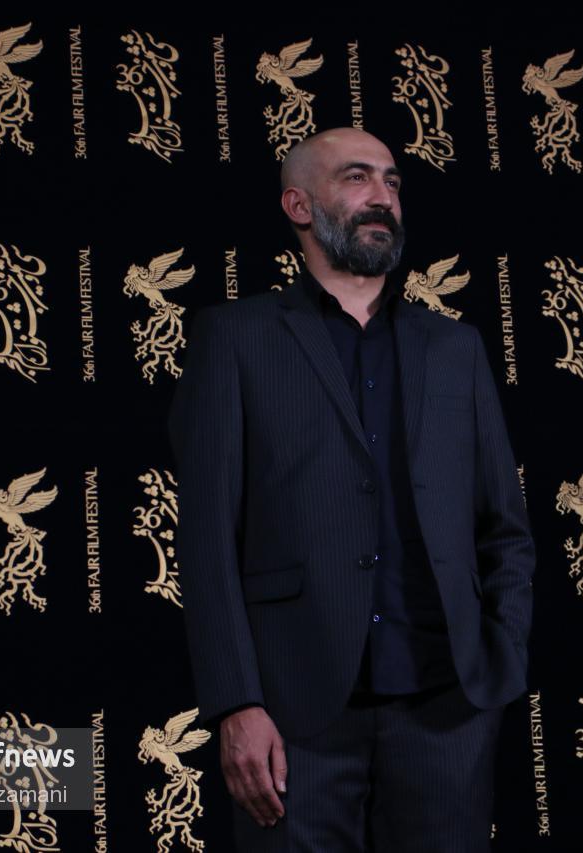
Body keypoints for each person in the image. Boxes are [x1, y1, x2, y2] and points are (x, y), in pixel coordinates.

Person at [167, 127, 536, 852]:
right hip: (293, 717)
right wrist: (237, 703)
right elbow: (207, 540)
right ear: (299, 205)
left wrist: (499, 662)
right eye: (357, 177)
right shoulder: (235, 338)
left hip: (447, 709)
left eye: (393, 182)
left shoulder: (455, 348)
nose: (382, 196)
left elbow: (505, 528)